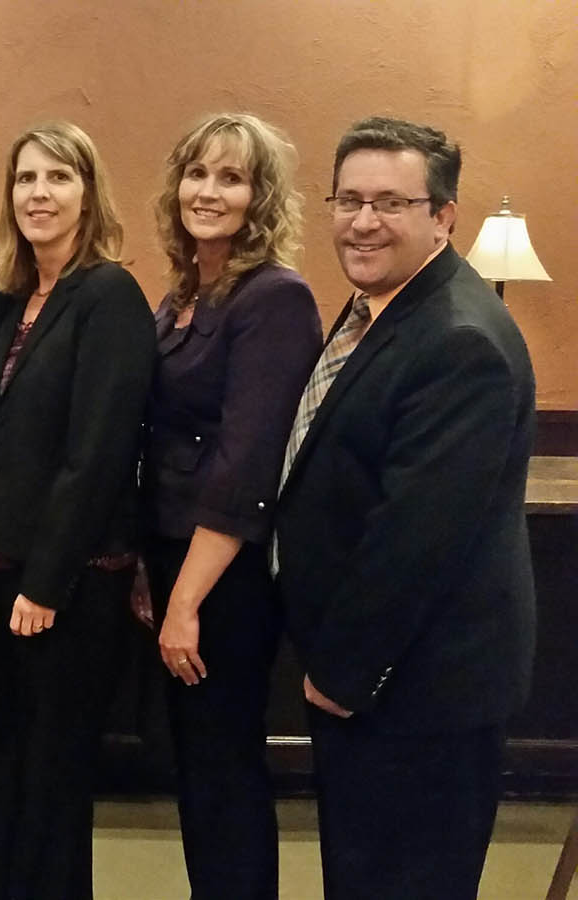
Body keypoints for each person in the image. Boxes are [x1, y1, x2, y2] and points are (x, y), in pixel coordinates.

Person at [274, 116, 536, 900]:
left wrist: (342, 676)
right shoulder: (376, 310)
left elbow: (415, 542)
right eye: (348, 199)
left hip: (418, 693)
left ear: (443, 217)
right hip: (379, 684)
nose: (362, 221)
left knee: (404, 881)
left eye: (390, 202)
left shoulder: (459, 340)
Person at [136, 113, 323, 900]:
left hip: (226, 577)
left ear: (262, 198)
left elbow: (247, 467)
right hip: (177, 557)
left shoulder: (275, 299)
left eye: (232, 177)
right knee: (198, 768)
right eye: (198, 173)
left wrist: (185, 600)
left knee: (225, 769)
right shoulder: (184, 293)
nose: (208, 192)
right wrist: (151, 570)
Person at [0, 122, 155, 900]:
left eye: (59, 178)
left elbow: (97, 456)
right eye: (25, 179)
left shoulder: (108, 295)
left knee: (50, 778)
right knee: (1, 763)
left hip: (67, 584)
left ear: (89, 192)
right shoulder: (15, 296)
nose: (39, 194)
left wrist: (45, 585)